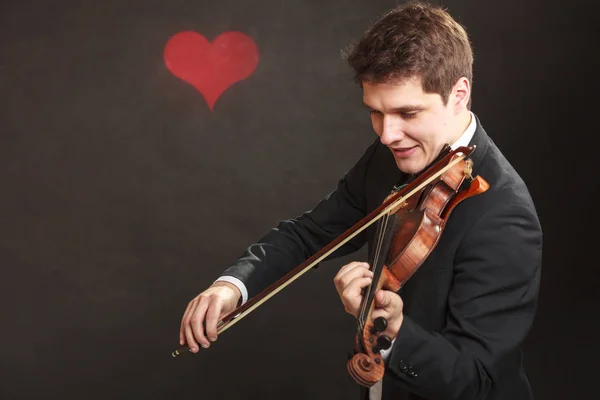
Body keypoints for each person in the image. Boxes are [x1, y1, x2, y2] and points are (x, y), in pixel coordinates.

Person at [179, 1, 543, 399]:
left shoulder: (505, 216)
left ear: (459, 94)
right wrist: (233, 286)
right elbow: (310, 233)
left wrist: (393, 331)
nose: (387, 135)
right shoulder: (392, 155)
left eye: (407, 113)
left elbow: (477, 381)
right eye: (376, 113)